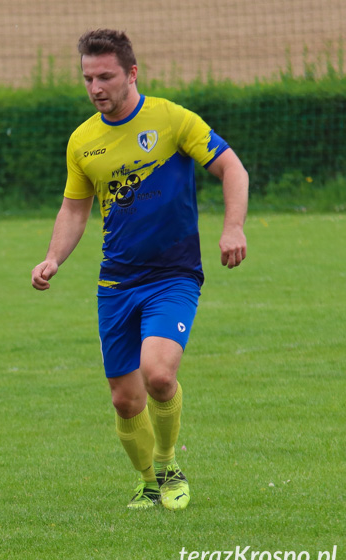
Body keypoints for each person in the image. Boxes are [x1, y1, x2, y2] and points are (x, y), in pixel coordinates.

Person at [31, 29, 248, 511]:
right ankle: (148, 481)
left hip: (173, 275)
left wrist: (233, 227)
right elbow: (74, 210)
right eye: (87, 78)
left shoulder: (171, 120)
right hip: (116, 283)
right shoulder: (83, 141)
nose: (95, 87)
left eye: (105, 76)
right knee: (125, 400)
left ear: (131, 73)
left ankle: (169, 462)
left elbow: (233, 168)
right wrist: (53, 257)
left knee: (159, 376)